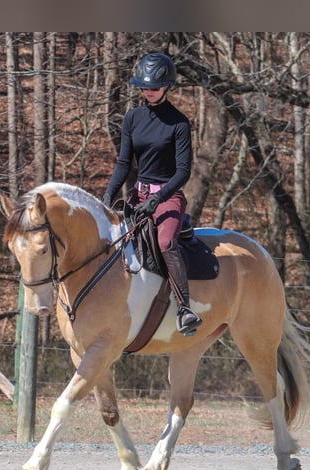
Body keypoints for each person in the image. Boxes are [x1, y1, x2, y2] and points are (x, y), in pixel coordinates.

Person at [102, 52, 202, 336]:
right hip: (138, 195)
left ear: (167, 86)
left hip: (167, 196)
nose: (148, 91)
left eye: (154, 87)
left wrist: (159, 198)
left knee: (167, 241)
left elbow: (183, 171)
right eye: (144, 87)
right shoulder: (133, 117)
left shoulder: (179, 123)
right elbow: (124, 163)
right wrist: (108, 195)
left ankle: (184, 309)